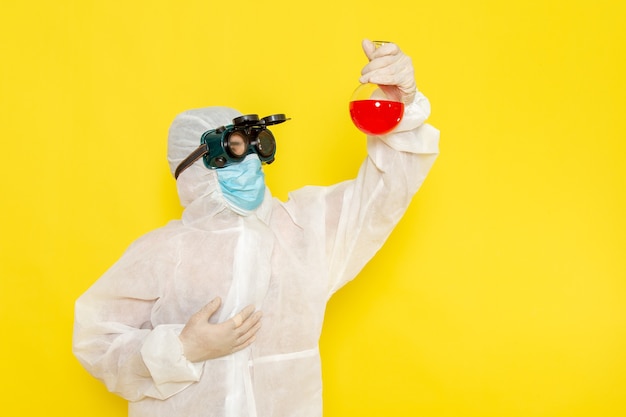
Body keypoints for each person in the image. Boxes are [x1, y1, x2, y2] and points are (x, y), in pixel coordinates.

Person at [72, 39, 440, 417]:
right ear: (196, 165)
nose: (249, 162)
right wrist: (181, 348)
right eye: (233, 149)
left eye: (253, 147)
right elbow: (95, 340)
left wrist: (401, 108)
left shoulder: (305, 230)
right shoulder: (162, 252)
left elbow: (386, 191)